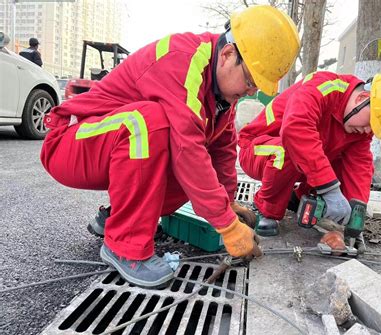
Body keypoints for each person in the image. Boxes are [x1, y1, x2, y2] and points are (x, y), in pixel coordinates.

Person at [40, 5, 300, 288]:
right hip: (72, 143)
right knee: (154, 125)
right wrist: (225, 224)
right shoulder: (184, 60)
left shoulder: (221, 95)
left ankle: (116, 218)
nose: (252, 91)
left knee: (189, 173)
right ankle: (124, 246)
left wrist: (226, 205)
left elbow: (223, 148)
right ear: (227, 55)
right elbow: (188, 149)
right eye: (250, 80)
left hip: (104, 147)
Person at [238, 71, 381, 240]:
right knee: (291, 146)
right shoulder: (323, 86)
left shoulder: (360, 127)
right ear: (362, 99)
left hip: (296, 163)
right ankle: (266, 209)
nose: (368, 130)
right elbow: (295, 129)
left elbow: (359, 165)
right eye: (371, 122)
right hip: (258, 149)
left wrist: (356, 210)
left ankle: (298, 198)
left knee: (345, 159)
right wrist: (330, 190)